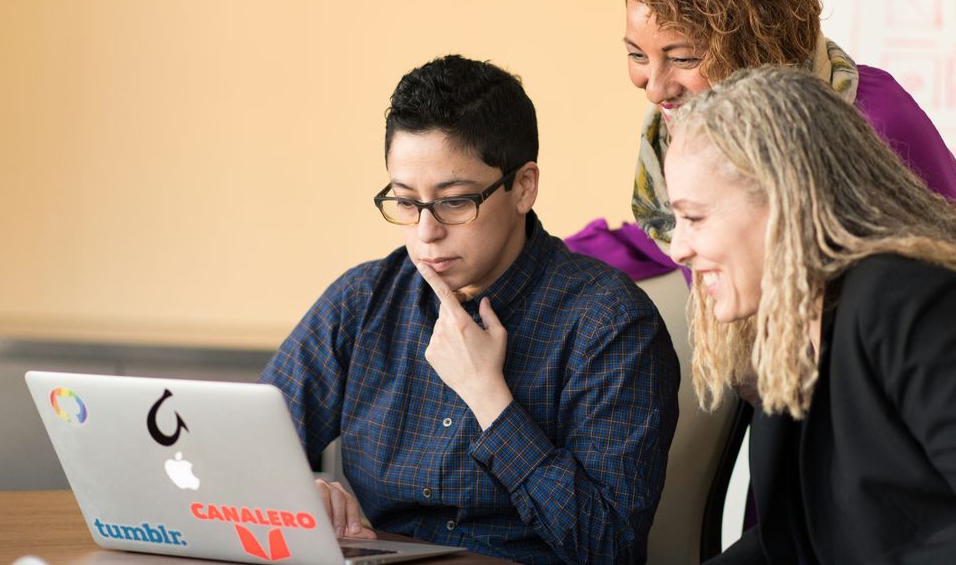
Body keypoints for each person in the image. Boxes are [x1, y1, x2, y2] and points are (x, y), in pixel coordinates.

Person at [664, 65, 956, 564]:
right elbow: (790, 546)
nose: (677, 247)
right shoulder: (792, 326)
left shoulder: (913, 302)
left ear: (783, 200)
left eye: (694, 217)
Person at [259, 54, 680, 564]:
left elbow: (608, 547)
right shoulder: (365, 300)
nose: (425, 232)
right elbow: (247, 449)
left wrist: (489, 399)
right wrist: (307, 492)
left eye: (455, 201)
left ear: (523, 186)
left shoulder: (609, 324)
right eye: (406, 202)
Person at [620, 0, 956, 389]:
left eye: (682, 58)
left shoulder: (873, 121)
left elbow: (943, 305)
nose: (654, 88)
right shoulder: (682, 134)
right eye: (636, 55)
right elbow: (697, 231)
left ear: (753, 45)